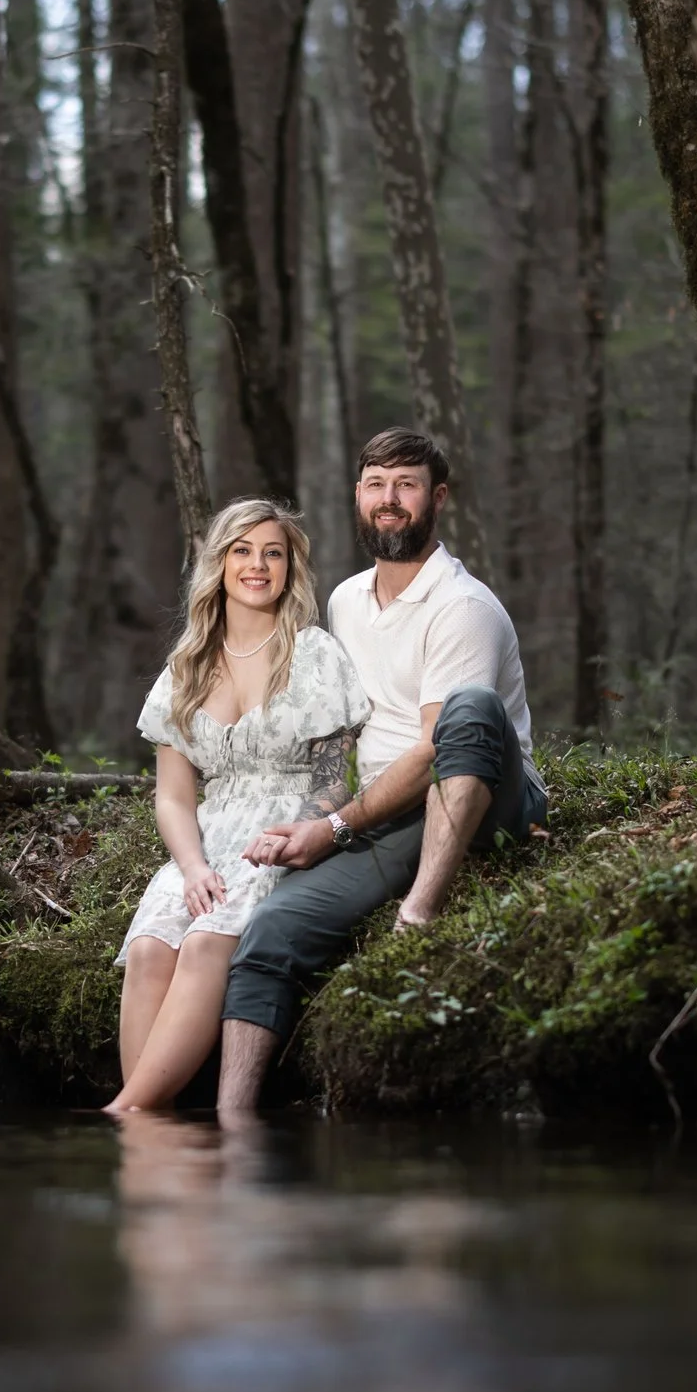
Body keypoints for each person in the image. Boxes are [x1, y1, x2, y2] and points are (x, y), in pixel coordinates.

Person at [220, 427, 546, 1115]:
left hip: (490, 796)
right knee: (269, 933)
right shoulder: (346, 601)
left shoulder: (462, 606)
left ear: (438, 498)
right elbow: (341, 727)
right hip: (391, 810)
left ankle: (419, 913)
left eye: (407, 485)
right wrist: (315, 817)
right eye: (376, 484)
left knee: (469, 708)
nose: (389, 499)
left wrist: (336, 828)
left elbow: (432, 750)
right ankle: (231, 1126)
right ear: (358, 495)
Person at [104, 498, 368, 1114]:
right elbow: (173, 797)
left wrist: (299, 832)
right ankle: (149, 1125)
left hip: (279, 832)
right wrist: (192, 867)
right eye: (243, 551)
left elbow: (336, 780)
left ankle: (126, 1114)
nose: (258, 565)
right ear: (218, 564)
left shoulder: (314, 653)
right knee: (149, 947)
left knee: (205, 942)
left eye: (273, 553)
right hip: (206, 840)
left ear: (290, 568)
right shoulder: (187, 666)